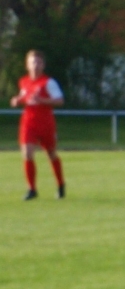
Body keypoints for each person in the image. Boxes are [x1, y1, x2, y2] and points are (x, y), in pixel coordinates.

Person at [12, 49, 64, 200]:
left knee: (51, 154)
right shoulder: (24, 82)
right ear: (27, 65)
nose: (35, 65)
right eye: (33, 62)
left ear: (43, 65)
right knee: (27, 153)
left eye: (39, 62)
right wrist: (17, 100)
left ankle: (60, 184)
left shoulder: (48, 82)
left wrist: (42, 100)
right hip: (29, 122)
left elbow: (60, 101)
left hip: (45, 122)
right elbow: (23, 96)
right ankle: (32, 189)